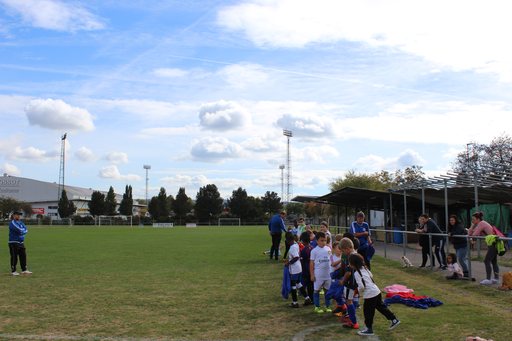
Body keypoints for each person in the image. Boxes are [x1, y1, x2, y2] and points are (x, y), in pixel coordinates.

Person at [349, 253, 401, 336]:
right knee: (381, 307)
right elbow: (371, 276)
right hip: (376, 292)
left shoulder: (356, 274)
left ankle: (369, 329)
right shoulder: (365, 269)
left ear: (353, 264)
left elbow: (362, 286)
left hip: (370, 295)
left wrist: (357, 291)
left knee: (368, 312)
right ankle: (394, 319)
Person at [468, 211, 500, 285]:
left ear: (478, 219)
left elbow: (474, 235)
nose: (473, 221)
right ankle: (496, 278)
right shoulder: (480, 224)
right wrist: (472, 225)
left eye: (474, 219)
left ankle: (488, 279)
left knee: (487, 261)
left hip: (493, 244)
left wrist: (472, 227)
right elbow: (470, 234)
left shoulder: (482, 223)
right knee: (493, 261)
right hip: (492, 244)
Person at [285, 233, 311, 308]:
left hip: (294, 269)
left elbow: (296, 257)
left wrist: (288, 262)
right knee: (298, 283)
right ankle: (307, 298)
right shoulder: (296, 244)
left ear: (287, 240)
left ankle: (295, 302)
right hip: (298, 267)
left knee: (293, 285)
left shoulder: (292, 247)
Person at [338, 237, 359, 329]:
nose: (343, 253)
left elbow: (349, 272)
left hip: (350, 282)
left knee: (348, 301)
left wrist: (343, 280)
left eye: (343, 251)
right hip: (357, 282)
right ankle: (352, 318)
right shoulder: (358, 255)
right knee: (355, 297)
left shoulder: (350, 257)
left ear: (347, 248)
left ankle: (353, 321)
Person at [309, 232, 332, 313]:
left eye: (325, 240)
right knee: (317, 290)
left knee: (327, 290)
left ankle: (327, 306)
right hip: (318, 274)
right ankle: (317, 306)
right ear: (317, 241)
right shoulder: (314, 251)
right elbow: (311, 263)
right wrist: (312, 274)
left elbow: (330, 260)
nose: (323, 242)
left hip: (327, 274)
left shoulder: (328, 249)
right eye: (322, 240)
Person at [9, 211, 32, 276]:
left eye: (19, 215)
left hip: (21, 242)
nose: (18, 216)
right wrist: (22, 231)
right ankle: (14, 270)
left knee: (23, 256)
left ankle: (24, 269)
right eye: (17, 215)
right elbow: (18, 230)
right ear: (13, 216)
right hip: (14, 242)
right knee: (14, 257)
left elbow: (26, 230)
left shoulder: (21, 223)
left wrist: (22, 232)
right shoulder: (12, 223)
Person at [300, 231, 314, 305]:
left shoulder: (303, 251)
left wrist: (302, 270)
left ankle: (311, 299)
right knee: (313, 285)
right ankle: (314, 299)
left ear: (302, 240)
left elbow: (302, 262)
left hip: (307, 270)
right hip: (313, 269)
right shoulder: (313, 248)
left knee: (309, 285)